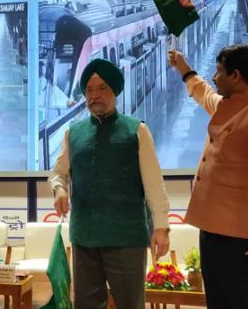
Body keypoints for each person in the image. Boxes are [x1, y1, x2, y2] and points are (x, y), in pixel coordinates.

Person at [168, 45, 248, 309]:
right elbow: (204, 95)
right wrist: (185, 69)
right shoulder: (231, 106)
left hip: (245, 241)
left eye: (219, 71)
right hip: (215, 233)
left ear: (235, 76)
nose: (214, 77)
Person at [49, 59, 171, 309]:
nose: (95, 95)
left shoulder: (136, 131)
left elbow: (153, 183)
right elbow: (58, 172)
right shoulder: (73, 132)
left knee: (130, 304)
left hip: (126, 238)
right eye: (90, 90)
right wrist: (59, 188)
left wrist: (161, 227)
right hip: (84, 237)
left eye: (102, 88)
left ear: (114, 91)